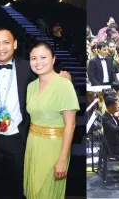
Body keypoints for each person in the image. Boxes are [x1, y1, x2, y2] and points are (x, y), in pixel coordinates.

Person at [0, 27, 70, 199]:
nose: (1, 47)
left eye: (6, 42)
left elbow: (50, 77)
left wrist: (65, 77)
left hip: (21, 140)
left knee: (21, 189)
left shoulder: (30, 68)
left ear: (15, 44)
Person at [22, 42, 80, 198]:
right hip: (33, 144)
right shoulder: (31, 86)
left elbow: (71, 125)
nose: (38, 62)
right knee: (33, 191)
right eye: (34, 58)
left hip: (54, 147)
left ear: (53, 59)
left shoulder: (64, 85)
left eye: (43, 57)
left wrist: (62, 159)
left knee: (47, 192)